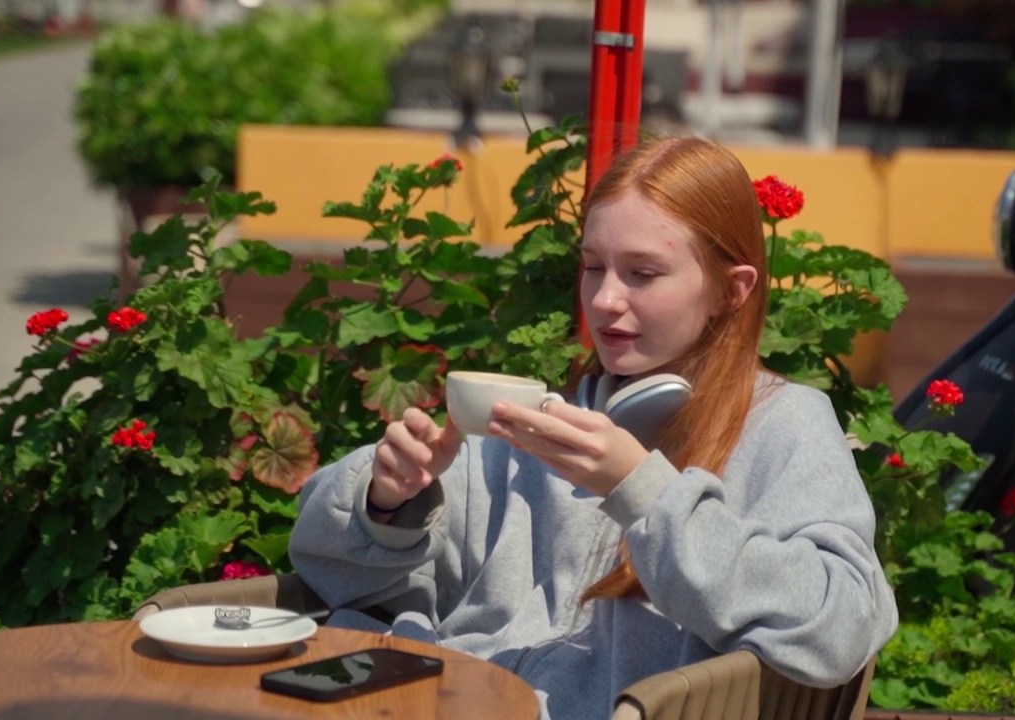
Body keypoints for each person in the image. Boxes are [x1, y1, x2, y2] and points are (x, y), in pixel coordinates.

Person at [289, 137, 899, 719]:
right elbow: (328, 569)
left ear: (730, 291)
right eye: (592, 267)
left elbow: (842, 626)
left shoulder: (783, 423)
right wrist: (388, 502)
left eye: (642, 273)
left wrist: (645, 492)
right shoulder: (541, 420)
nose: (604, 299)